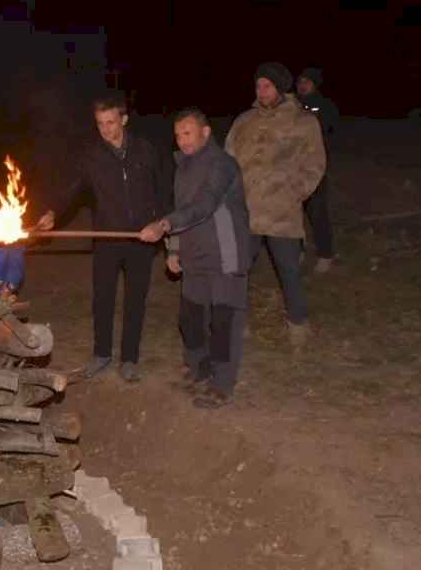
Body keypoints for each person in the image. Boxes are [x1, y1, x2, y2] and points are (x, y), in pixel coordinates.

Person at [35, 91, 173, 382]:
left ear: (123, 119)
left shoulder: (145, 150)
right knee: (103, 298)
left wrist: (160, 224)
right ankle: (101, 354)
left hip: (141, 238)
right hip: (107, 238)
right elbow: (71, 188)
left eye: (111, 122)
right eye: (100, 124)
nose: (106, 129)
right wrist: (53, 213)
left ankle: (130, 358)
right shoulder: (92, 156)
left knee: (135, 298)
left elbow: (162, 190)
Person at [139, 109, 251, 409]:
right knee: (191, 318)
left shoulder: (222, 165)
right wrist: (174, 249)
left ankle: (222, 384)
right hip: (194, 254)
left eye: (187, 133)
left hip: (224, 254)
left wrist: (164, 225)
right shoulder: (183, 167)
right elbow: (182, 208)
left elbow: (204, 205)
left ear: (205, 132)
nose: (182, 140)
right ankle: (199, 369)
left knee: (223, 321)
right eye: (177, 134)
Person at [225, 62, 326, 347]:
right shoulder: (244, 120)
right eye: (258, 85)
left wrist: (295, 192)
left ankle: (298, 324)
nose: (261, 90)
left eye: (267, 85)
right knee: (238, 269)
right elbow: (228, 158)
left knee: (289, 271)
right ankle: (237, 322)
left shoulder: (303, 122)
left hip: (282, 213)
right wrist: (231, 193)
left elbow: (315, 164)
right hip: (247, 211)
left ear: (281, 87)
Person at [296, 67, 340, 273]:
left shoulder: (324, 105)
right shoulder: (292, 105)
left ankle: (325, 254)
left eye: (307, 82)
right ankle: (297, 250)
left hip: (315, 167)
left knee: (317, 211)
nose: (302, 85)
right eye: (300, 81)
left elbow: (330, 131)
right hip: (292, 168)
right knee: (293, 212)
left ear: (315, 84)